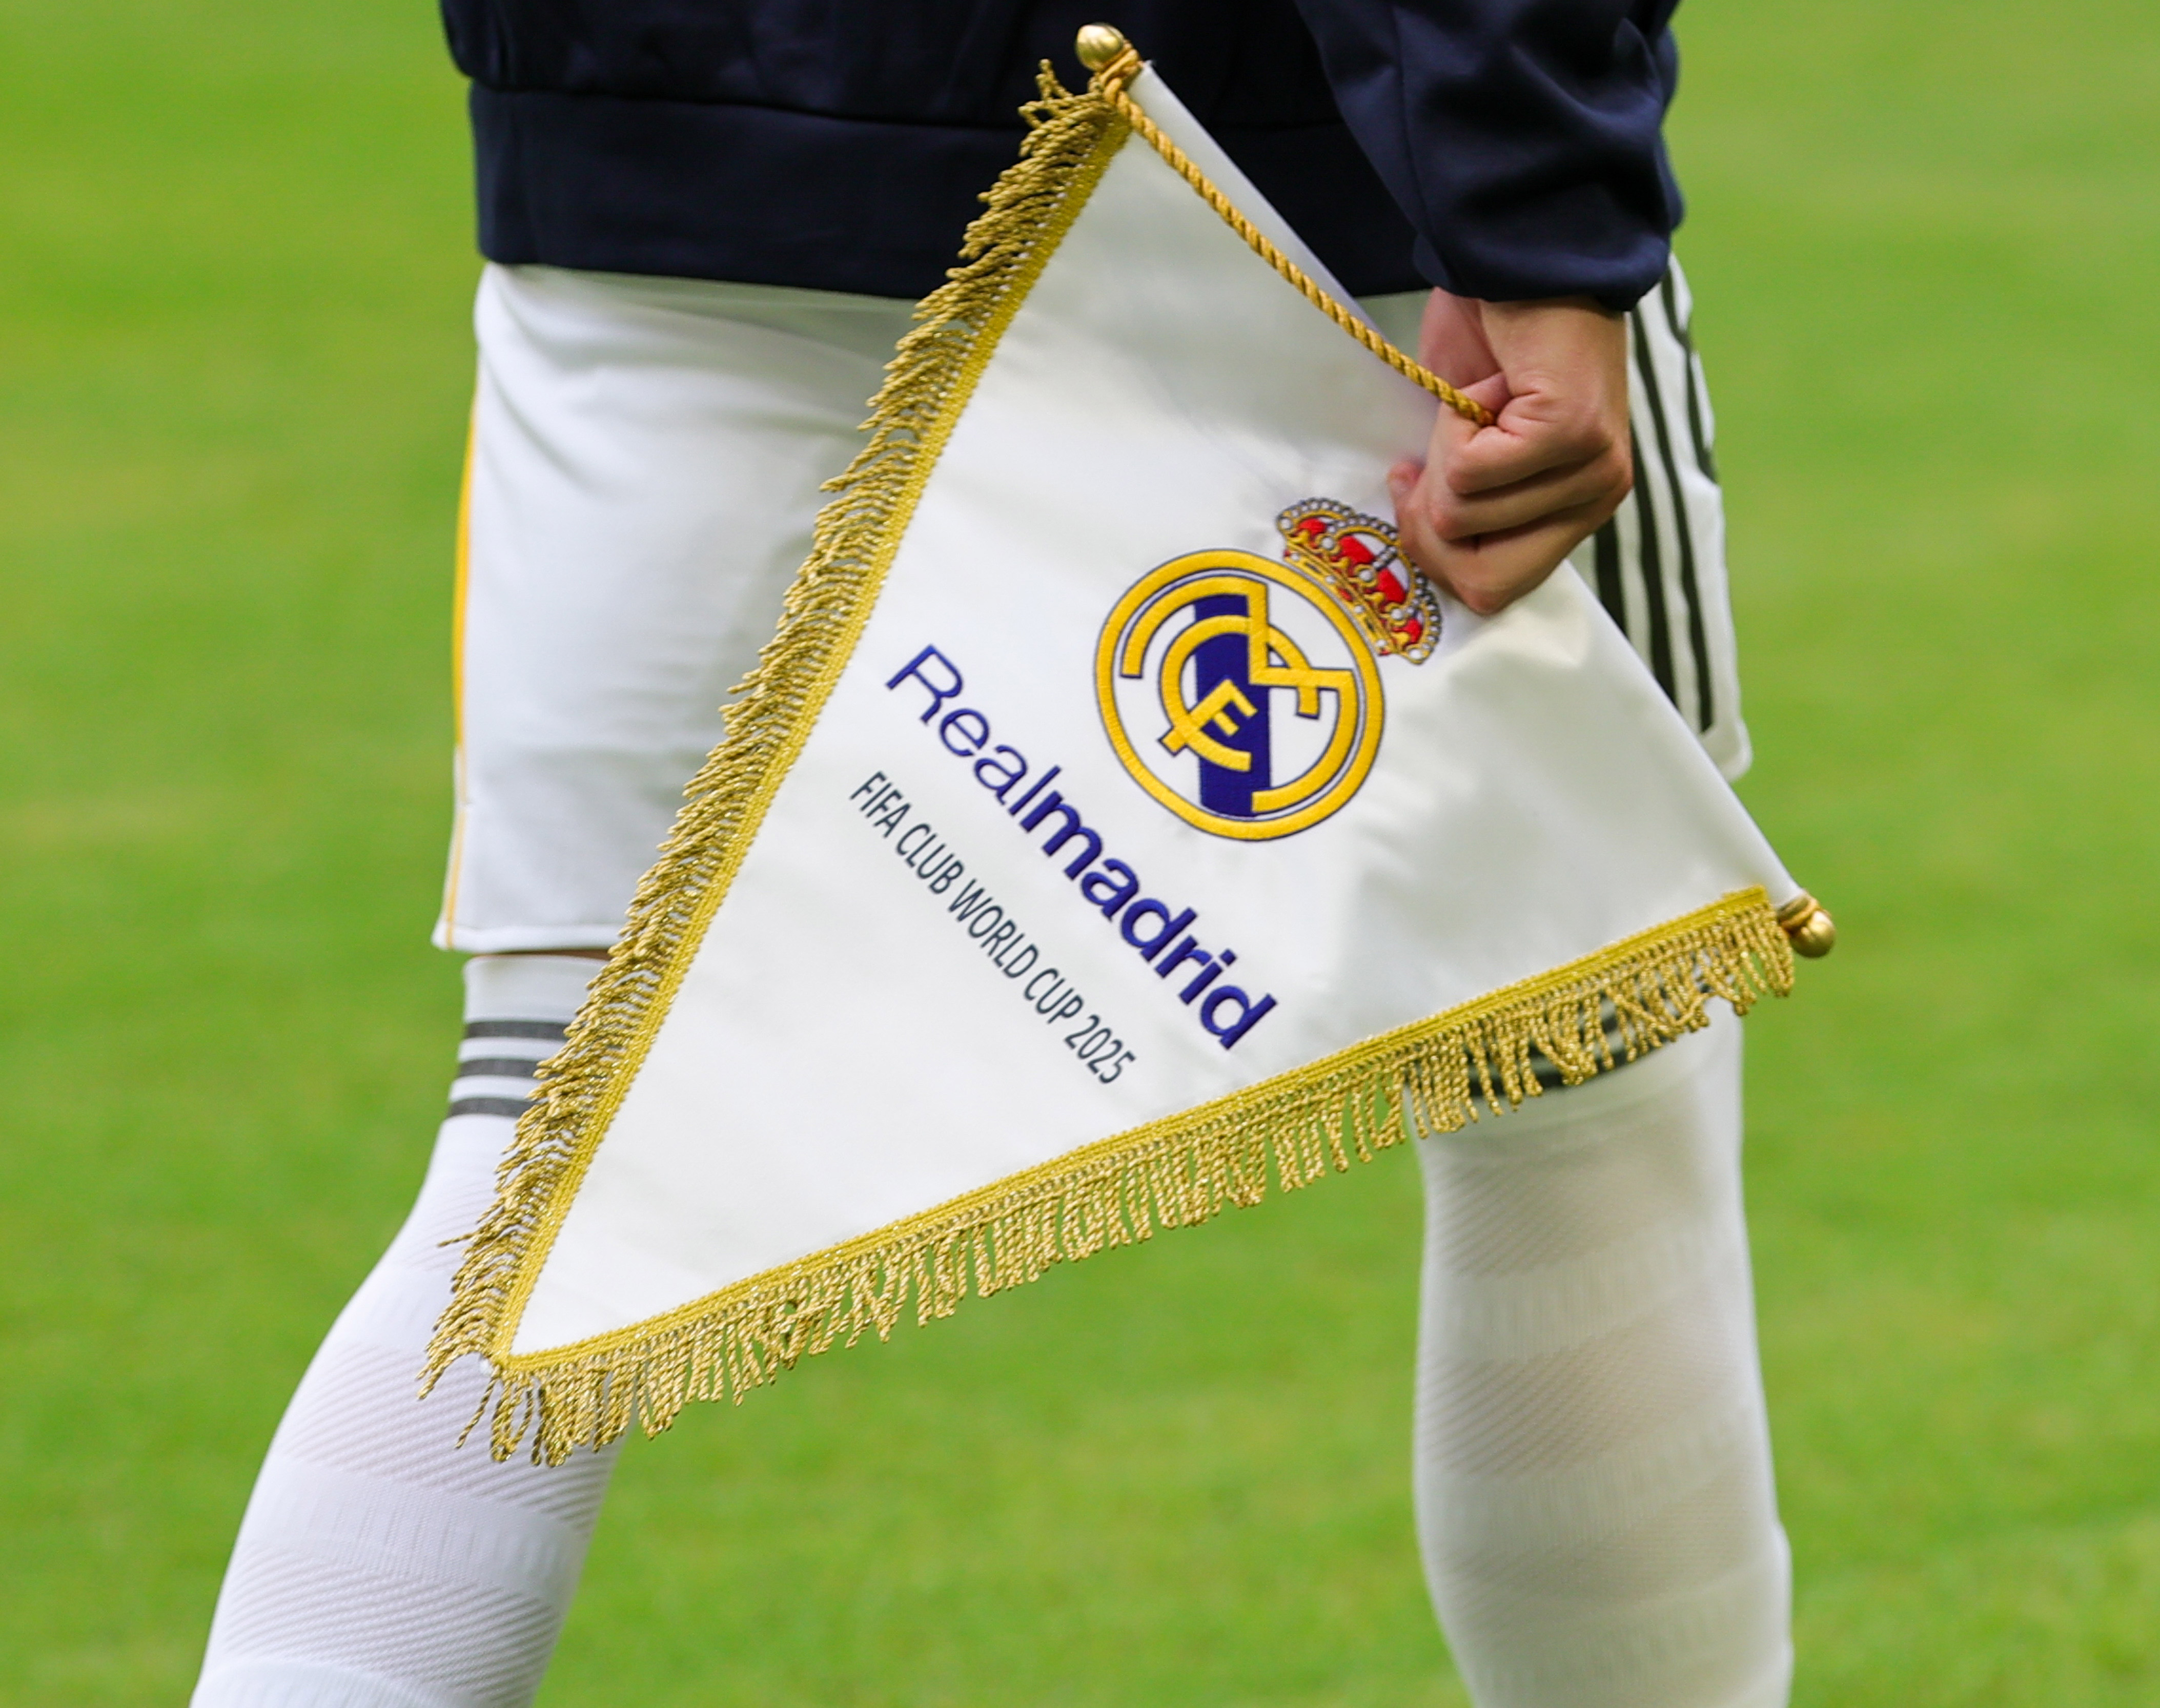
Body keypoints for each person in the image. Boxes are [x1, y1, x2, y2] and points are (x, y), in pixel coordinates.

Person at [191, 4, 1788, 1705]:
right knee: (1584, 1079)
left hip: (668, 166)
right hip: (1287, 178)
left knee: (543, 1135)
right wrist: (1535, 223)